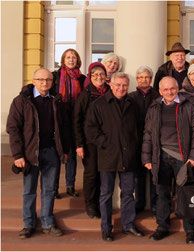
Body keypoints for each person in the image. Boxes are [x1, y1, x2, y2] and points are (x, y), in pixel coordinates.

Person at [6, 68, 70, 239]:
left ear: (52, 82)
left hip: (52, 152)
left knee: (49, 189)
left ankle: (48, 222)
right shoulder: (22, 101)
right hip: (30, 153)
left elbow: (64, 127)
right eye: (40, 79)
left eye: (48, 80)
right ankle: (29, 223)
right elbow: (13, 128)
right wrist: (17, 155)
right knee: (29, 190)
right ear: (33, 81)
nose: (45, 83)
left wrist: (65, 150)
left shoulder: (57, 100)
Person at [142, 76, 194, 244]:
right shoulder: (154, 107)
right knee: (162, 194)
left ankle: (190, 230)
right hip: (160, 156)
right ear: (160, 91)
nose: (169, 92)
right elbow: (148, 134)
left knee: (185, 194)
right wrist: (147, 157)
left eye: (172, 88)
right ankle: (162, 227)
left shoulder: (189, 105)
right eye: (165, 89)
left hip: (182, 158)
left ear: (177, 88)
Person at [86, 72, 144, 242]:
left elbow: (138, 129)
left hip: (129, 156)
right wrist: (106, 142)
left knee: (128, 193)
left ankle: (128, 225)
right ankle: (106, 228)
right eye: (118, 85)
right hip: (108, 156)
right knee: (106, 194)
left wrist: (135, 147)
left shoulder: (133, 104)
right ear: (110, 84)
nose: (121, 88)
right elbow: (90, 129)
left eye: (124, 85)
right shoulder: (99, 104)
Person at [74, 62, 110, 219]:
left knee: (104, 174)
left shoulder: (110, 92)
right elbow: (76, 120)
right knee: (91, 174)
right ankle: (90, 205)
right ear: (90, 77)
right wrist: (79, 144)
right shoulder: (85, 95)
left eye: (102, 74)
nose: (99, 77)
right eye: (95, 75)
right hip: (89, 142)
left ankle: (101, 203)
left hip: (106, 141)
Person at [52, 48, 86, 199]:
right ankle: (53, 189)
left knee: (71, 155)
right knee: (57, 155)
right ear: (63, 60)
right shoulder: (55, 76)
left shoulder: (82, 78)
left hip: (75, 120)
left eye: (74, 57)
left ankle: (70, 186)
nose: (71, 60)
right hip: (59, 120)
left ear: (77, 60)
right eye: (68, 57)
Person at [129, 66, 159, 216]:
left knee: (155, 175)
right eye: (141, 77)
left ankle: (155, 205)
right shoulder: (131, 97)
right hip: (137, 141)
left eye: (146, 77)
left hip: (154, 141)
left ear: (151, 79)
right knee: (138, 175)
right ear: (137, 79)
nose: (144, 79)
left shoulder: (158, 96)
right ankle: (139, 203)